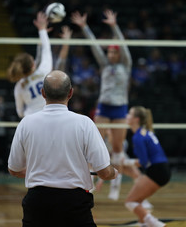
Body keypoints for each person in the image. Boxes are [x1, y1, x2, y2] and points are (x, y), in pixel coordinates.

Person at [8, 70, 118, 227]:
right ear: (71, 93)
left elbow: (14, 169)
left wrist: (42, 172)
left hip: (37, 204)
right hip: (74, 206)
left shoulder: (26, 123)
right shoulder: (84, 123)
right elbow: (105, 172)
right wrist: (114, 173)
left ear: (43, 93)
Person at [71, 9, 132, 199]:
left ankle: (116, 183)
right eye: (110, 51)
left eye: (115, 51)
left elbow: (124, 45)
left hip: (120, 108)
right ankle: (89, 181)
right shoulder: (104, 65)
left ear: (119, 53)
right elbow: (95, 46)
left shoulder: (126, 65)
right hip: (104, 107)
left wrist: (114, 26)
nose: (112, 54)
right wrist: (84, 27)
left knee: (118, 148)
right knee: (96, 145)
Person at [123, 106, 171, 227]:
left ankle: (156, 224)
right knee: (137, 201)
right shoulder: (145, 132)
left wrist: (126, 162)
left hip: (157, 170)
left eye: (130, 114)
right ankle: (144, 223)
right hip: (162, 169)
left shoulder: (138, 137)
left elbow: (143, 162)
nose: (126, 116)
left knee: (130, 202)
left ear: (136, 119)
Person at [7, 11, 53, 118]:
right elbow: (47, 50)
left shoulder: (19, 86)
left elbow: (20, 113)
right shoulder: (43, 72)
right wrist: (42, 31)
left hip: (31, 120)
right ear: (33, 65)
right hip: (49, 117)